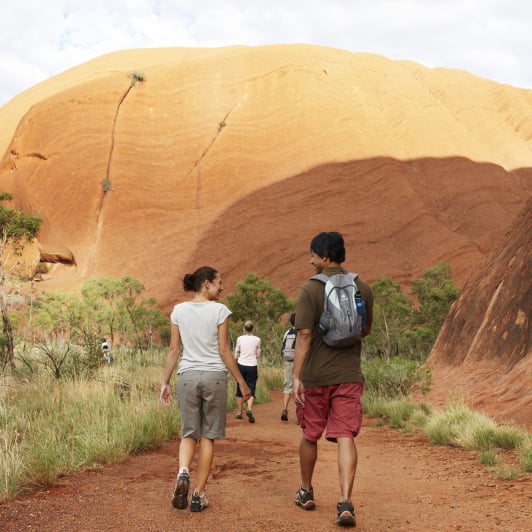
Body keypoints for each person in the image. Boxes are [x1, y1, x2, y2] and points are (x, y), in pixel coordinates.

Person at [292, 232, 373, 528]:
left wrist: (296, 375)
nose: (311, 260)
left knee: (310, 433)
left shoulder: (310, 289)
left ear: (324, 256)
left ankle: (306, 490)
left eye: (312, 255)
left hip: (315, 377)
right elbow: (364, 331)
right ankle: (345, 501)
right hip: (349, 375)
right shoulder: (362, 287)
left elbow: (304, 334)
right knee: (345, 436)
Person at [160, 266, 251, 513]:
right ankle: (199, 495)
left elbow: (173, 351)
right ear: (206, 284)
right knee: (208, 436)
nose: (222, 287)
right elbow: (223, 351)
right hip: (214, 376)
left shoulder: (178, 311)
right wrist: (242, 382)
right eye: (219, 283)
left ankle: (182, 473)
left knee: (189, 433)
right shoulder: (220, 311)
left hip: (187, 376)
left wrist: (165, 382)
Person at [234, 320, 261, 423]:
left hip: (241, 364)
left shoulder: (240, 338)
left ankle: (239, 412)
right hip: (252, 366)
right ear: (252, 328)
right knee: (252, 387)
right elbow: (258, 354)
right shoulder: (257, 339)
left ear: (244, 328)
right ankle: (249, 409)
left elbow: (237, 352)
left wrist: (236, 360)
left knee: (240, 387)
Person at [280, 313, 297, 422]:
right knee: (299, 388)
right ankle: (299, 415)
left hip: (288, 361)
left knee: (288, 386)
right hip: (300, 363)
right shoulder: (303, 332)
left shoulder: (288, 332)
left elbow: (283, 346)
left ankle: (285, 409)